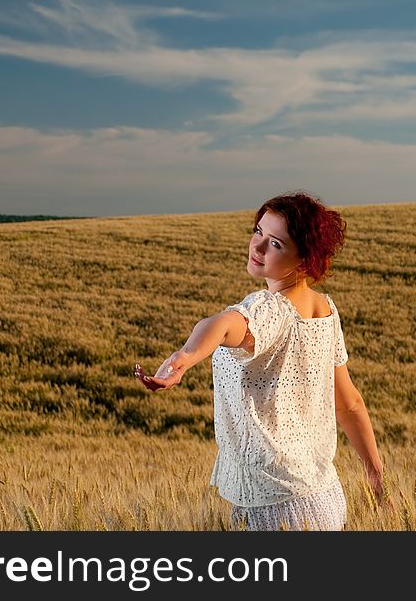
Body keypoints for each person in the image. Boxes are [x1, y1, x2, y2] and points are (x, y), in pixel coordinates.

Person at [134, 191, 386, 531]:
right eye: (258, 232)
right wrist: (374, 471)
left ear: (304, 258)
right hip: (323, 497)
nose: (258, 247)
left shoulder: (269, 310)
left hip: (276, 506)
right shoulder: (326, 311)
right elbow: (349, 404)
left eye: (276, 244)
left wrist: (186, 357)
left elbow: (221, 325)